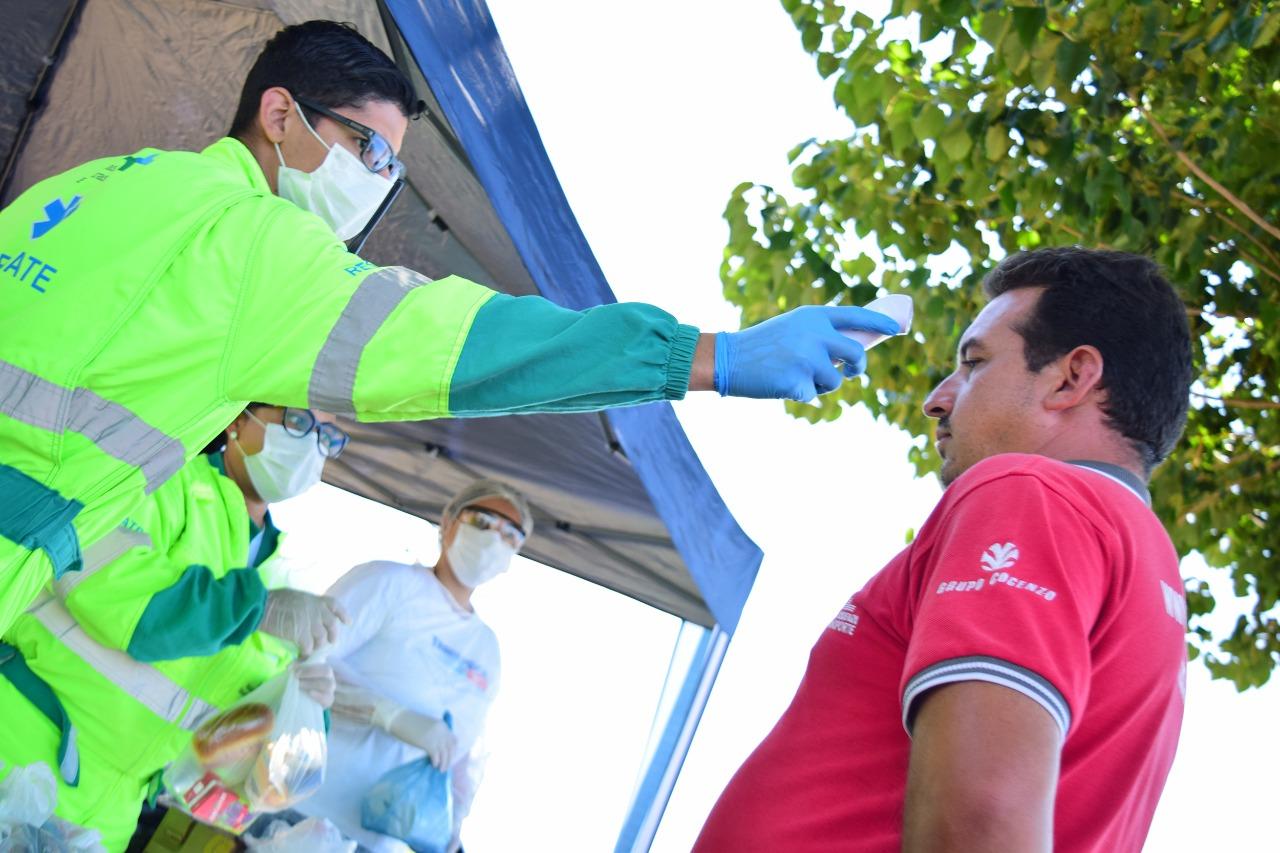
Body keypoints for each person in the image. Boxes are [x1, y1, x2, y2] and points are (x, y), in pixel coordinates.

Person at [0, 19, 900, 636]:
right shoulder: (260, 247)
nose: (378, 185)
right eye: (372, 151)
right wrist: (712, 356)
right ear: (279, 115)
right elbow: (477, 343)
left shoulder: (97, 182)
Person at [693, 247, 1195, 853]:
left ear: (1070, 377)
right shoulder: (1145, 559)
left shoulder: (1030, 491)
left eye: (974, 362)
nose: (937, 398)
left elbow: (981, 816)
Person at [0, 404, 348, 851]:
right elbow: (119, 597)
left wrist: (305, 717)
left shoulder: (284, 575)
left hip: (102, 825)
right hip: (16, 754)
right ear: (238, 420)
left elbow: (235, 768)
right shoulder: (160, 480)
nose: (311, 445)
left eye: (329, 438)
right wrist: (253, 609)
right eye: (298, 422)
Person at [286, 479, 532, 852]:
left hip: (384, 841)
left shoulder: (487, 650)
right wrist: (388, 714)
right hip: (301, 810)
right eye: (482, 521)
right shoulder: (390, 583)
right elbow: (301, 659)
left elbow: (465, 756)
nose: (493, 539)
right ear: (448, 522)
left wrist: (453, 826)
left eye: (511, 535)